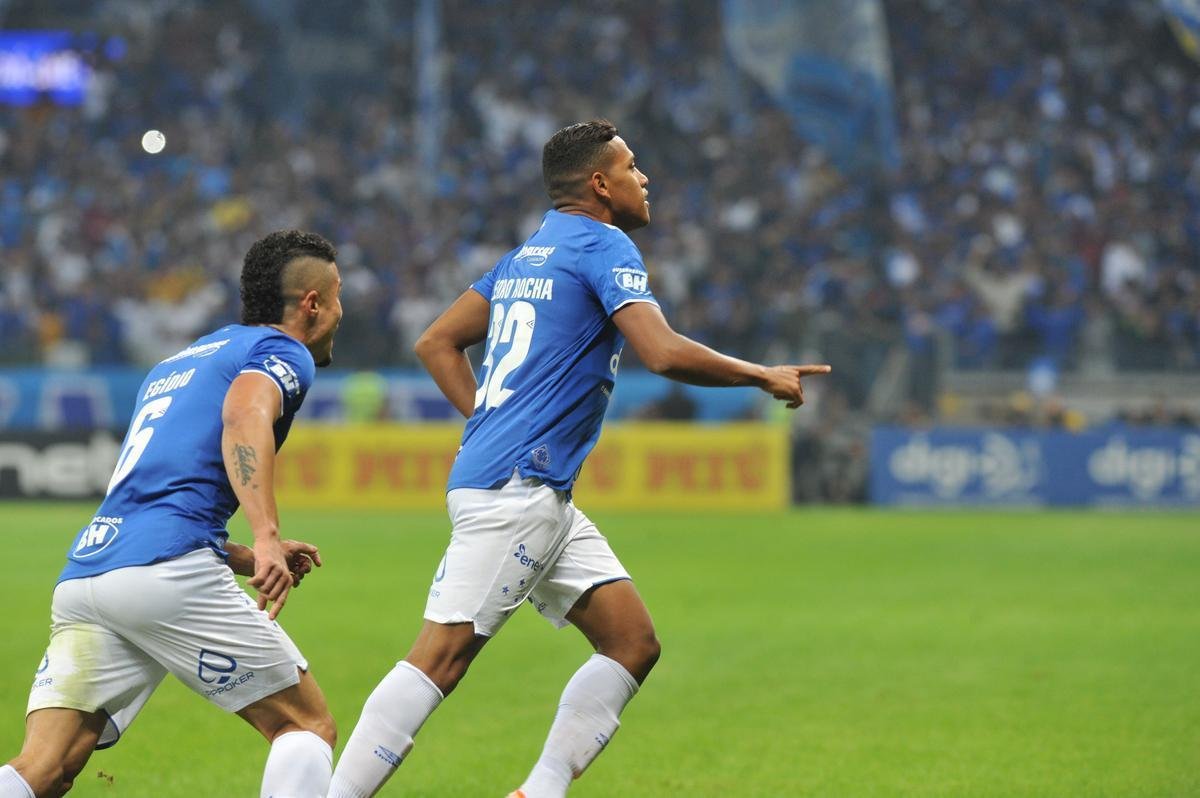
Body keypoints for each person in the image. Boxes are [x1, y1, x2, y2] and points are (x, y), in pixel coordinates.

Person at [328, 120, 830, 798]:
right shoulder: (602, 244)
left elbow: (434, 343)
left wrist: (485, 418)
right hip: (517, 489)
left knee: (632, 643)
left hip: (537, 491)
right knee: (440, 657)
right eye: (632, 166)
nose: (644, 177)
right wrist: (760, 373)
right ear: (600, 184)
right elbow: (661, 351)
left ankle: (540, 790)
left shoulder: (528, 255)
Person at [0, 230, 344, 798]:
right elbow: (244, 416)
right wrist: (264, 535)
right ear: (311, 303)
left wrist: (233, 552)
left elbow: (156, 487)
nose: (340, 311)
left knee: (45, 767)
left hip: (90, 574)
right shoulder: (282, 352)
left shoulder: (178, 362)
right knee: (304, 725)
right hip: (165, 575)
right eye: (336, 295)